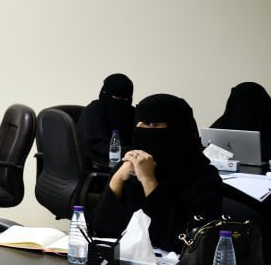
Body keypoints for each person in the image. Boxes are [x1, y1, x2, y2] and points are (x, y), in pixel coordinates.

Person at [92, 94, 222, 251]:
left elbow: (183, 242)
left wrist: (148, 180)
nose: (144, 131)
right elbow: (102, 229)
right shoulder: (129, 168)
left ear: (178, 129)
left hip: (175, 264)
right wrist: (118, 178)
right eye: (140, 124)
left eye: (153, 124)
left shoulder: (203, 178)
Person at [211, 81, 271, 238]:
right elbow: (206, 145)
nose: (242, 109)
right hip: (231, 179)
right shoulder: (226, 120)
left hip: (267, 185)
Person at [211, 81, 271, 163]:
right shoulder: (226, 121)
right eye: (238, 102)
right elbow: (207, 148)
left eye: (248, 103)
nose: (242, 109)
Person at [76, 73, 135, 165]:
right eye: (117, 98)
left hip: (130, 161)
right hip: (98, 163)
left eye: (126, 99)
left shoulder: (132, 112)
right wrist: (133, 152)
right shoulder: (94, 110)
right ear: (105, 93)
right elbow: (98, 145)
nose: (122, 103)